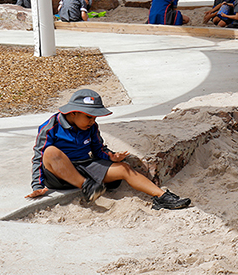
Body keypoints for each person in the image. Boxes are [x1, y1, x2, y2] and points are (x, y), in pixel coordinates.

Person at [29, 89, 191, 209]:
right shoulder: (51, 127)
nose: (93, 121)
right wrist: (37, 186)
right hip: (60, 175)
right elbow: (39, 156)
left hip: (85, 166)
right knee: (51, 152)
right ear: (73, 113)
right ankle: (87, 187)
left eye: (94, 117)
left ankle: (162, 196)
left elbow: (98, 149)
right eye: (89, 117)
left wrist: (111, 156)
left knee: (124, 168)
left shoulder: (91, 127)